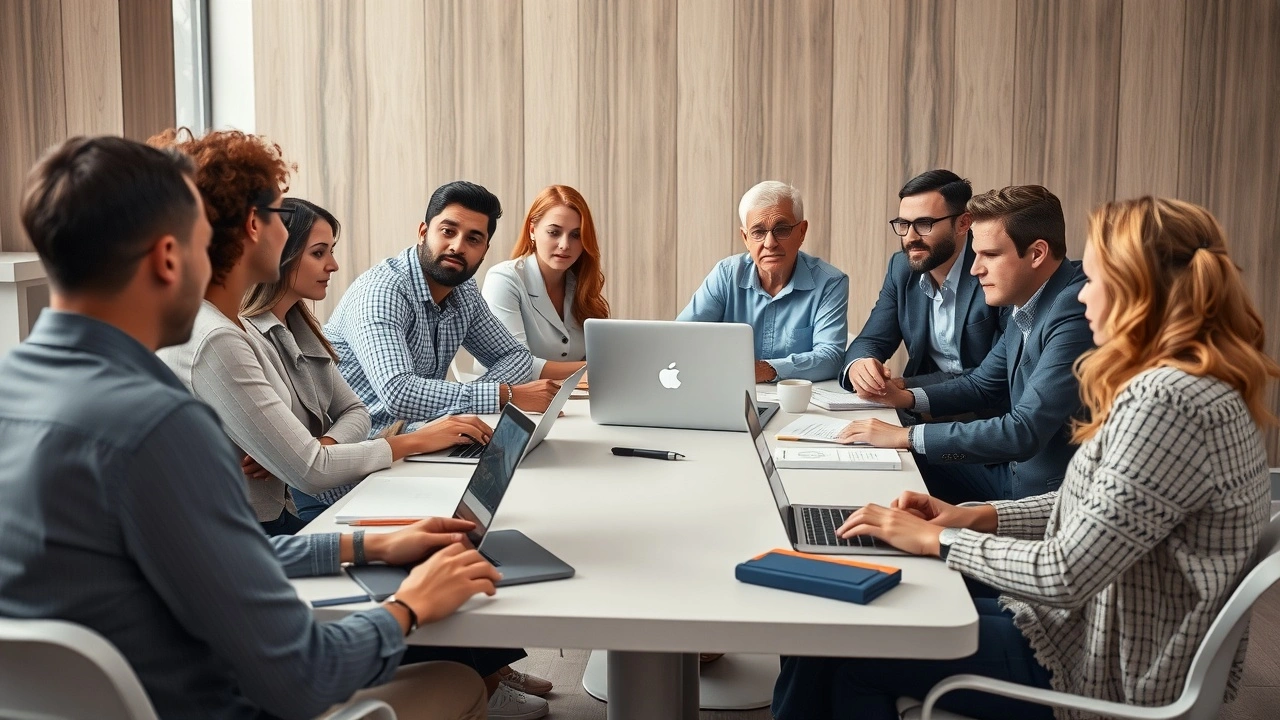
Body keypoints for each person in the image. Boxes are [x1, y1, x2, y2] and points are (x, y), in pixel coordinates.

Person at [0, 135, 498, 720]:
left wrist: (365, 543)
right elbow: (303, 676)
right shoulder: (161, 425)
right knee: (455, 677)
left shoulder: (18, 387)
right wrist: (410, 607)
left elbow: (209, 558)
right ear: (169, 257)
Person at [773, 196, 1280, 720]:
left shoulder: (1166, 402)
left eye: (1096, 280)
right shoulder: (1191, 386)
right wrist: (974, 516)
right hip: (1081, 629)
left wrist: (940, 539)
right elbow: (1093, 507)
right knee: (845, 612)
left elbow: (1065, 573)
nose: (1083, 298)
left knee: (840, 645)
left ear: (1138, 293)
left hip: (1098, 665)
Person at [151, 134, 549, 717]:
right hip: (263, 640)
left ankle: (478, 661)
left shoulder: (231, 331)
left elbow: (236, 548)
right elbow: (310, 472)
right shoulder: (218, 341)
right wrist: (406, 609)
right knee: (454, 658)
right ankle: (475, 669)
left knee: (433, 560)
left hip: (264, 548)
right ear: (251, 229)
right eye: (280, 218)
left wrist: (374, 543)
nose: (321, 253)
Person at [239, 198, 494, 522]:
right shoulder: (242, 340)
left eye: (330, 251)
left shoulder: (304, 327)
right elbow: (309, 467)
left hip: (336, 481)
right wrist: (419, 439)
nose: (333, 265)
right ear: (280, 252)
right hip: (292, 508)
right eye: (319, 253)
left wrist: (319, 445)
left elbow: (353, 413)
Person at [838, 186, 1092, 503]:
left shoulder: (1076, 310)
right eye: (977, 253)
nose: (975, 268)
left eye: (990, 255)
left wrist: (905, 436)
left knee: (900, 461)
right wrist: (903, 396)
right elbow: (982, 383)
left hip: (1042, 496)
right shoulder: (1028, 295)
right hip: (1008, 471)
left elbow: (1023, 430)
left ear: (1037, 254)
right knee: (882, 466)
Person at [325, 181, 560, 436]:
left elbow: (516, 357)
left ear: (484, 251)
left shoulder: (463, 290)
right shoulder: (383, 291)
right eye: (448, 231)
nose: (458, 247)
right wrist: (504, 395)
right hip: (360, 451)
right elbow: (399, 393)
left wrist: (467, 409)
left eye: (473, 238)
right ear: (423, 232)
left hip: (422, 437)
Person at [842, 170, 1003, 396]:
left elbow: (996, 374)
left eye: (924, 224)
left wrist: (908, 386)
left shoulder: (992, 269)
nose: (910, 237)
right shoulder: (901, 269)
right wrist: (860, 365)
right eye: (903, 224)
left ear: (963, 223)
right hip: (918, 405)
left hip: (981, 411)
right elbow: (871, 339)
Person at [677, 180, 849, 383]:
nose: (770, 243)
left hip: (798, 404)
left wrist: (767, 369)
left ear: (802, 232)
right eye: (758, 232)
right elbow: (681, 338)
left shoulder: (830, 282)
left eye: (782, 229)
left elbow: (831, 357)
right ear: (745, 238)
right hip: (729, 393)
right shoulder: (726, 274)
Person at [480, 184, 608, 380]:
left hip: (571, 401)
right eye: (554, 232)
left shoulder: (580, 285)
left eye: (576, 235)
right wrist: (597, 369)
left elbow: (599, 356)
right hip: (509, 405)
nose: (565, 245)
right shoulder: (504, 280)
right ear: (532, 230)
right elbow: (515, 367)